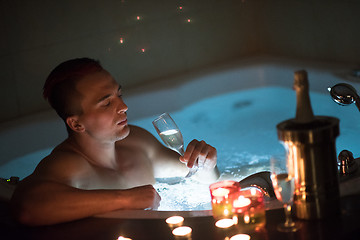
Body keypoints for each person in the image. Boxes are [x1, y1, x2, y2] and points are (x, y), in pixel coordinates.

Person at [10, 58, 219, 226]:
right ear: (76, 124)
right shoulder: (69, 164)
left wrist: (207, 164)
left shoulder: (136, 141)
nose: (124, 106)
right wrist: (125, 199)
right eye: (107, 103)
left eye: (119, 94)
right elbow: (26, 208)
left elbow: (199, 178)